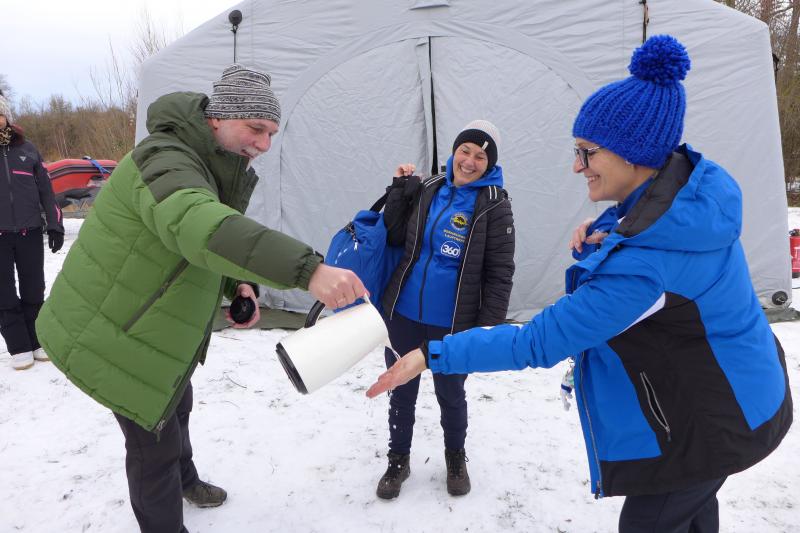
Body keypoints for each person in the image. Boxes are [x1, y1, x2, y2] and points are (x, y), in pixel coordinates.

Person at [366, 35, 792, 533]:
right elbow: (650, 232)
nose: (576, 166)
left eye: (587, 153)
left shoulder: (642, 265)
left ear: (634, 155)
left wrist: (432, 354)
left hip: (709, 423)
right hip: (740, 392)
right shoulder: (691, 194)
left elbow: (538, 340)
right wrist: (610, 230)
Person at [36, 65, 366, 533]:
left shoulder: (209, 163)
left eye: (271, 133)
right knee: (153, 447)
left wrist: (238, 284)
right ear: (217, 118)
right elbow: (199, 226)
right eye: (256, 128)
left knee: (177, 406)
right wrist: (308, 270)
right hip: (115, 333)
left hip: (155, 328)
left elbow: (199, 243)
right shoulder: (164, 160)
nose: (264, 144)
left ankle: (186, 480)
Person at [375, 120, 515, 499]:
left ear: (490, 164)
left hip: (452, 324)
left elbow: (500, 273)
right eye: (464, 151)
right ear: (454, 152)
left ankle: (455, 458)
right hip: (404, 313)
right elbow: (393, 234)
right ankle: (398, 459)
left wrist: (486, 330)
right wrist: (399, 190)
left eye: (480, 156)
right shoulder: (430, 188)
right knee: (399, 388)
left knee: (451, 394)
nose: (469, 161)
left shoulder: (495, 205)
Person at [0, 91, 64, 370]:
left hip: (30, 231)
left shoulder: (28, 150)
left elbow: (46, 191)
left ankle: (37, 341)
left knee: (34, 288)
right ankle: (19, 346)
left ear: (7, 116)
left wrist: (55, 224)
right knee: (3, 293)